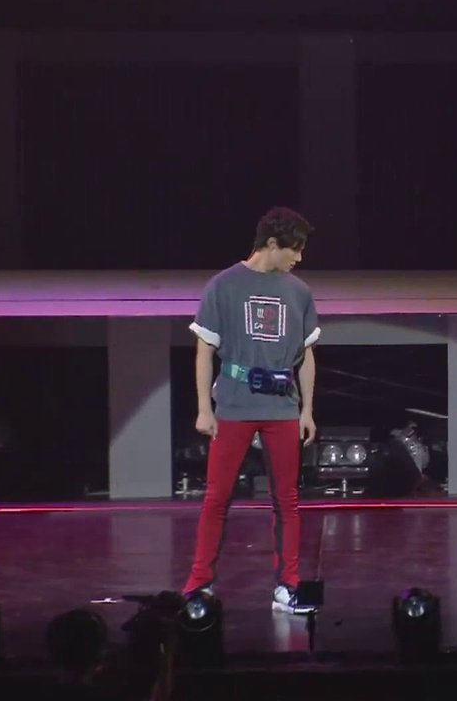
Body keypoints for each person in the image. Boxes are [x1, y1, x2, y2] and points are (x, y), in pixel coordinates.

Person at [182, 207, 320, 615]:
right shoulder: (224, 285)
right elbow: (204, 350)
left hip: (282, 406)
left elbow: (306, 356)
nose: (299, 257)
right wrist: (204, 408)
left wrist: (307, 410)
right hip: (234, 404)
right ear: (273, 244)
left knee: (287, 500)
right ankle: (198, 584)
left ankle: (288, 586)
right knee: (217, 497)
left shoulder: (299, 291)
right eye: (295, 248)